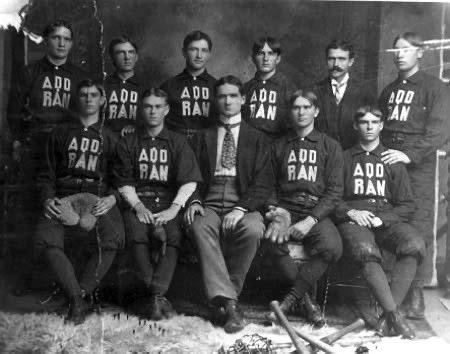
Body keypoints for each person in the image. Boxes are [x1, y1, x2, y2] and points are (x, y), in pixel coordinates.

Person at [185, 76, 272, 333]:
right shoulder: (203, 137)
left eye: (233, 95)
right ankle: (232, 305)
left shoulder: (258, 138)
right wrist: (194, 201)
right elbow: (191, 176)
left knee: (254, 229)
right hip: (209, 198)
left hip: (242, 199)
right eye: (222, 96)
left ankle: (224, 302)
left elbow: (263, 182)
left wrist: (241, 208)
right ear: (215, 100)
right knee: (198, 226)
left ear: (243, 99)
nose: (227, 101)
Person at [7, 19, 88, 296]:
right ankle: (26, 276)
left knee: (65, 208)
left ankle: (64, 277)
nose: (62, 43)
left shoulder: (78, 77)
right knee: (30, 211)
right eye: (56, 38)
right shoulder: (30, 72)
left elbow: (84, 115)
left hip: (67, 147)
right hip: (35, 147)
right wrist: (19, 141)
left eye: (67, 38)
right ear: (46, 40)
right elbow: (14, 111)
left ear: (72, 43)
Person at [34, 79, 124, 325]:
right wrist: (47, 199)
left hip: (97, 197)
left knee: (113, 237)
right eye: (83, 94)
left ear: (102, 100)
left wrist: (112, 198)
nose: (88, 99)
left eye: (94, 95)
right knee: (45, 238)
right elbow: (46, 174)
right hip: (64, 194)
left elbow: (121, 177)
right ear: (77, 99)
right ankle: (75, 298)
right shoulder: (60, 132)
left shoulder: (111, 137)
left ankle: (83, 292)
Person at [335, 105, 425, 338]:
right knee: (364, 250)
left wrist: (382, 219)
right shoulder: (344, 158)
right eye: (364, 122)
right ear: (356, 125)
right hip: (355, 218)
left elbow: (407, 205)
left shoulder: (392, 160)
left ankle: (387, 316)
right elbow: (332, 198)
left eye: (374, 122)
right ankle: (395, 316)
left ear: (381, 126)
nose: (369, 127)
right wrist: (350, 213)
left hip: (384, 217)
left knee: (414, 244)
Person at [379, 32, 450, 319]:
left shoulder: (435, 87)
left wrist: (411, 155)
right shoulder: (389, 90)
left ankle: (415, 293)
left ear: (421, 53)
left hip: (418, 167)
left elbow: (440, 128)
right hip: (390, 164)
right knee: (392, 219)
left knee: (418, 224)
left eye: (407, 49)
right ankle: (390, 292)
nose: (400, 54)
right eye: (396, 50)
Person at [114, 88, 202, 320]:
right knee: (136, 234)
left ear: (166, 110)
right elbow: (123, 182)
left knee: (173, 236)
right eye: (148, 106)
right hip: (138, 200)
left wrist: (174, 208)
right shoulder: (129, 141)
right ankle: (158, 296)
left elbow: (189, 180)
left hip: (168, 202)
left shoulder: (177, 141)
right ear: (141, 109)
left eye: (157, 106)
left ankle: (154, 297)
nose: (153, 111)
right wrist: (138, 207)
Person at [265, 89, 343, 327]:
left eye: (306, 107)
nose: (301, 112)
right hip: (286, 207)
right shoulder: (278, 145)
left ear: (316, 111)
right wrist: (278, 213)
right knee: (272, 240)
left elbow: (335, 191)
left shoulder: (330, 146)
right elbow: (266, 185)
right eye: (297, 107)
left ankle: (290, 300)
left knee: (332, 247)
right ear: (291, 112)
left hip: (315, 209)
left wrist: (311, 220)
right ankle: (308, 302)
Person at [313, 39, 374, 150]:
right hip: (322, 155)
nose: (336, 64)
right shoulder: (315, 91)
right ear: (326, 61)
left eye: (341, 59)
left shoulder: (364, 92)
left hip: (353, 157)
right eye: (331, 59)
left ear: (350, 62)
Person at [160, 30, 216, 141]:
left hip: (207, 144)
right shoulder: (168, 86)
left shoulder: (216, 86)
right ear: (184, 52)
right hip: (175, 142)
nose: (199, 55)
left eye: (204, 50)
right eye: (193, 50)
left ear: (209, 54)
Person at [242, 37, 295, 140]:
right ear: (253, 58)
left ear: (278, 58)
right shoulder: (246, 88)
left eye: (270, 54)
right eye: (261, 53)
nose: (265, 58)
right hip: (249, 146)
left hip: (276, 147)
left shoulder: (288, 88)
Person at [104, 36, 142, 138]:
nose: (127, 57)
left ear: (136, 57)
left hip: (137, 141)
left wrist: (137, 127)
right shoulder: (102, 86)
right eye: (121, 53)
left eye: (131, 52)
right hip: (107, 141)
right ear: (112, 57)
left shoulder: (147, 86)